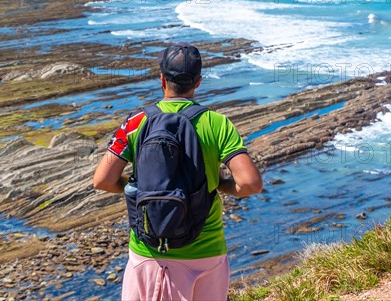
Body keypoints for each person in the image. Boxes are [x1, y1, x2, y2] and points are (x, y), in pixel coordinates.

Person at [93, 43, 263, 301]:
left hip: (149, 253)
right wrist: (218, 184)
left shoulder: (135, 122)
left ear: (162, 79)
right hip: (207, 250)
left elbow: (103, 180)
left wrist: (137, 188)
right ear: (199, 82)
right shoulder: (217, 124)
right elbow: (250, 184)